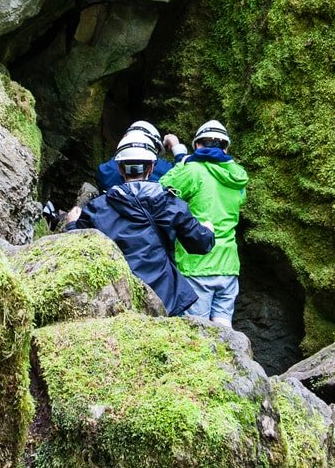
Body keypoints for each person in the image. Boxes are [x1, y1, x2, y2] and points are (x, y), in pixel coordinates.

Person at [62, 133, 214, 316]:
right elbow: (201, 244)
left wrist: (71, 225)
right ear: (151, 167)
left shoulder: (97, 208)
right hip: (164, 298)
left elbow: (77, 253)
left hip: (119, 299)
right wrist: (208, 231)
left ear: (120, 168)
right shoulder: (171, 204)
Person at [160, 120, 248, 328]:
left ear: (197, 145)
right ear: (226, 148)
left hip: (197, 264)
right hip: (228, 266)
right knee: (224, 331)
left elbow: (162, 189)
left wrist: (182, 161)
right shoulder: (238, 177)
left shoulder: (193, 172)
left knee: (197, 333)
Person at [95, 119, 172, 193]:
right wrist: (177, 148)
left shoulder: (104, 170)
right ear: (151, 168)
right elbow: (181, 174)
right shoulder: (165, 169)